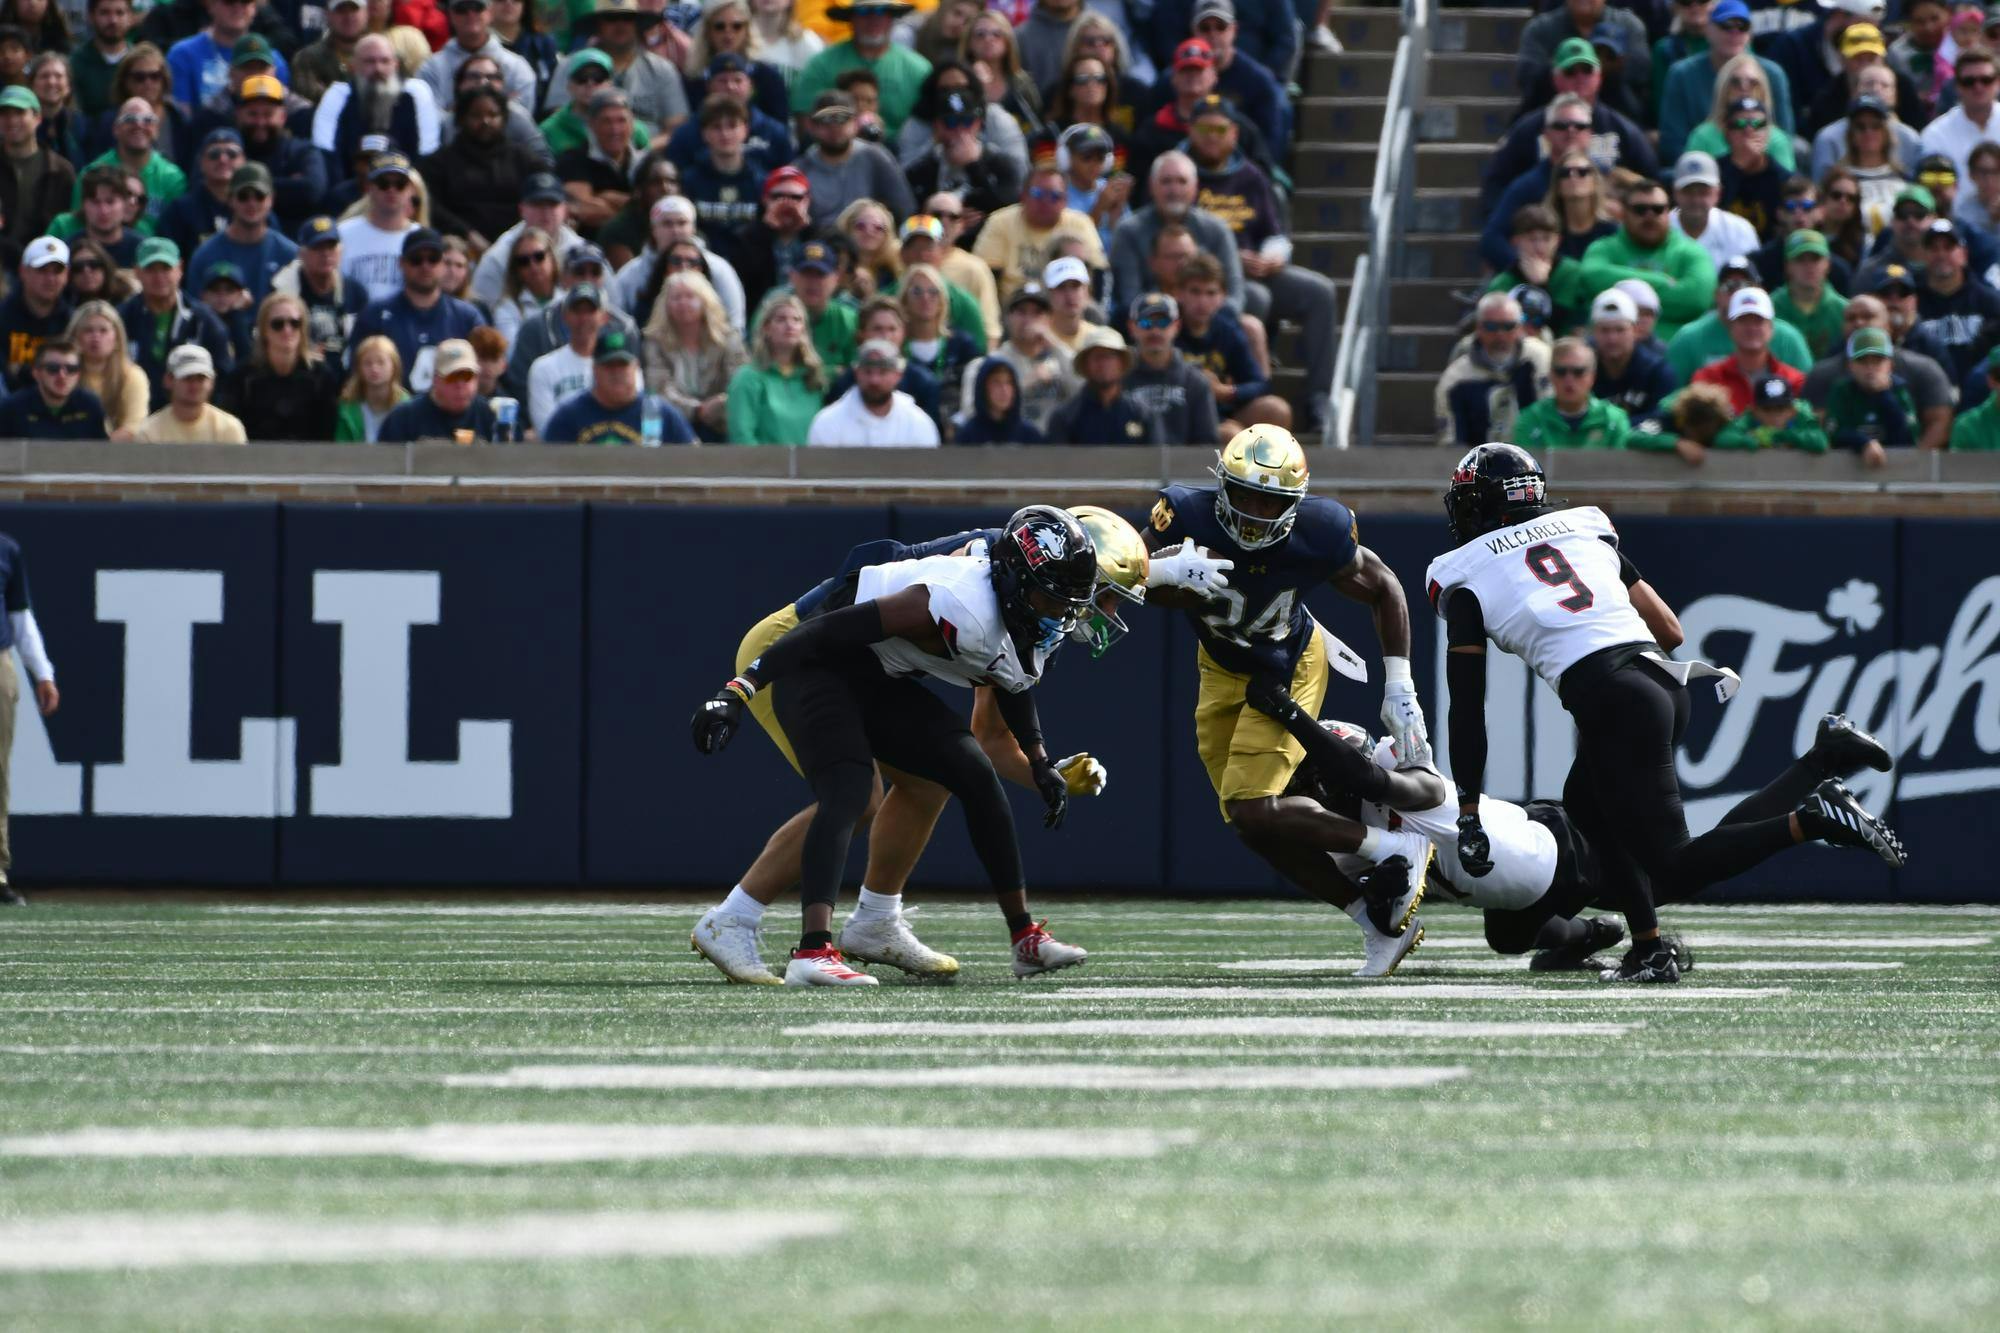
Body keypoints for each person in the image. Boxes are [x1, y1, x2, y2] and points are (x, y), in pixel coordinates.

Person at [1432, 443, 1901, 982]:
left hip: (1613, 700)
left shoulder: (1464, 574)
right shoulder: (1583, 530)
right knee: (1592, 817)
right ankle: (1651, 947)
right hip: (1663, 680)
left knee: (1674, 863)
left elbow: (1468, 706)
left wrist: (1467, 808)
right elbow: (1671, 630)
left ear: (1479, 504)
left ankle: (1815, 818)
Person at [688, 506, 1168, 981]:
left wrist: (1043, 765)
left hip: (871, 663)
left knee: (939, 776)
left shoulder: (1035, 603)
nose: (1103, 614)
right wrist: (737, 689)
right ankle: (741, 921)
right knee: (856, 795)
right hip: (799, 644)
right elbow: (830, 628)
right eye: (1107, 599)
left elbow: (1004, 705)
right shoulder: (972, 596)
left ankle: (886, 922)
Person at [1136, 427, 1433, 975]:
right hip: (1221, 665)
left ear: (1294, 501)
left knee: (1254, 805)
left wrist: (1400, 686)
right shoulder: (1183, 514)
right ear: (1220, 485)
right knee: (1247, 821)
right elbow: (1123, 577)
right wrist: (1162, 571)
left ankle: (1390, 849)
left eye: (1268, 499)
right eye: (1243, 493)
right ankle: (1374, 924)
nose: (1252, 510)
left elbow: (1384, 585)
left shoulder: (1322, 529)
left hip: (1290, 663)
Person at [348, 227, 485, 390]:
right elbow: (355, 373)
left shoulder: (467, 317)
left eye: (433, 259)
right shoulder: (375, 314)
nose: (425, 266)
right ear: (401, 263)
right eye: (416, 259)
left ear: (442, 264)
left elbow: (485, 374)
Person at [1658, 0, 1794, 163]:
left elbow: (1786, 134)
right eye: (1726, 26)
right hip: (1702, 161)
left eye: (1742, 26)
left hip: (1763, 163)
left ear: (1750, 33)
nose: (1734, 33)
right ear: (1708, 30)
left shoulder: (1773, 73)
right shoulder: (1681, 74)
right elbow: (1673, 141)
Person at [791, 0, 930, 142]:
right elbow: (806, 123)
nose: (874, 20)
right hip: (836, 154)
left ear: (892, 17)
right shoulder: (821, 65)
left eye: (882, 11)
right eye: (864, 12)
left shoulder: (919, 70)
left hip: (901, 157)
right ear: (851, 18)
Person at [421, 85, 540, 246]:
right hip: (458, 246)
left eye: (493, 115)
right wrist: (466, 234)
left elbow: (540, 197)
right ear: (461, 119)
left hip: (519, 245)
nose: (485, 121)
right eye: (476, 116)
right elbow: (431, 206)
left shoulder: (524, 159)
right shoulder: (439, 163)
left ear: (504, 118)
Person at [215, 290, 341, 439]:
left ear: (303, 329)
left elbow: (329, 434)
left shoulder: (321, 376)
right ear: (264, 330)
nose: (287, 330)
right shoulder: (242, 378)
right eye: (277, 324)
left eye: (295, 323)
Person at [974, 162, 1104, 305]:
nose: (1045, 201)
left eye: (1054, 196)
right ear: (1023, 196)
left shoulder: (1080, 224)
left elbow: (1098, 273)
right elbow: (986, 276)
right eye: (1038, 194)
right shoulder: (1000, 221)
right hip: (1014, 309)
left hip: (1064, 309)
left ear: (1065, 200)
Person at [539, 325, 693, 442]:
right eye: (609, 366)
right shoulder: (568, 417)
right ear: (594, 369)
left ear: (636, 367)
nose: (616, 373)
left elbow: (693, 462)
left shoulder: (659, 413)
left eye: (622, 365)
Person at [1435, 291, 1549, 448]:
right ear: (1478, 328)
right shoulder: (1455, 379)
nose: (1500, 335)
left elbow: (1553, 417)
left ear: (1519, 327)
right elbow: (1451, 441)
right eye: (1491, 327)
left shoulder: (1541, 358)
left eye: (1508, 327)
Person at [638, 267, 743, 438]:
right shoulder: (654, 341)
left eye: (690, 297)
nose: (683, 303)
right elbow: (658, 389)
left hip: (721, 423)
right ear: (665, 304)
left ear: (705, 301)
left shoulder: (729, 338)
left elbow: (739, 384)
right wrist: (697, 410)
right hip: (673, 425)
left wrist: (720, 404)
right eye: (676, 298)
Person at [564, 0, 689, 135]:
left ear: (637, 24)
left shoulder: (663, 69)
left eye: (627, 18)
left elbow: (676, 127)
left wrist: (640, 152)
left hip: (650, 152)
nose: (620, 25)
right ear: (598, 25)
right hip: (584, 151)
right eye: (611, 18)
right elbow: (559, 120)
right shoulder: (570, 65)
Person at [185, 160, 296, 306]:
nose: (252, 203)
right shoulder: (205, 255)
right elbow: (195, 312)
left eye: (259, 196)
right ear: (230, 199)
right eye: (243, 196)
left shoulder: (289, 254)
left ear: (271, 199)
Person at [795, 87, 910, 226]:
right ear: (812, 126)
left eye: (842, 120)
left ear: (855, 124)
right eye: (826, 121)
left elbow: (904, 208)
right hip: (819, 243)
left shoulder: (876, 157)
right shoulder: (800, 169)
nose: (834, 127)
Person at [1119, 290, 1216, 445]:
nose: (1155, 331)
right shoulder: (1118, 380)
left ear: (1177, 326)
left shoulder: (1196, 383)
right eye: (1145, 323)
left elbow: (1206, 444)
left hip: (1184, 467)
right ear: (1131, 328)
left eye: (1163, 323)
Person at [725, 290, 824, 442]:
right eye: (781, 319)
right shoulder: (747, 378)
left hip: (811, 465)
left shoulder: (813, 377)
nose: (790, 325)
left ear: (804, 330)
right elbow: (742, 436)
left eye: (797, 320)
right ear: (766, 328)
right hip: (764, 465)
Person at [1913, 216, 2000, 383]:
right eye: (1934, 248)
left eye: (1949, 247)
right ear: (1923, 255)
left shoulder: (1990, 302)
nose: (1941, 254)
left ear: (1964, 254)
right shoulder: (1910, 300)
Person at [805, 336, 939, 444]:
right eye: (868, 372)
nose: (874, 380)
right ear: (857, 373)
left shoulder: (918, 423)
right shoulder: (828, 422)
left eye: (882, 372)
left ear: (898, 375)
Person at [1040, 324, 1158, 444]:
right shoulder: (1065, 418)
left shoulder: (1142, 414)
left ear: (1121, 363)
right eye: (1097, 357)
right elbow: (1058, 461)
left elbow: (1156, 459)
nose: (1103, 364)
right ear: (1085, 365)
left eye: (1109, 356)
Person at [1510, 338, 1633, 450]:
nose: (1569, 380)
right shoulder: (1530, 419)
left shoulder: (1614, 419)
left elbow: (1620, 472)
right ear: (1551, 375)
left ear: (1592, 376)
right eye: (1561, 372)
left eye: (1578, 372)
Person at [167, 0, 290, 110]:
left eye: (245, 2)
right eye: (229, 2)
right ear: (211, 5)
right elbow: (182, 118)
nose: (237, 8)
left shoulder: (273, 60)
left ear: (254, 8)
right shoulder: (182, 55)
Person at [1825, 324, 1919, 465]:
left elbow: (1908, 437)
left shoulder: (1899, 390)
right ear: (1850, 366)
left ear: (1890, 365)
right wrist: (1864, 443)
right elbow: (1834, 433)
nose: (1870, 368)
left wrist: (1884, 395)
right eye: (1862, 361)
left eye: (1877, 361)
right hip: (1848, 468)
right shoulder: (1842, 391)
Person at [418, 0, 535, 112]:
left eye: (477, 7)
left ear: (490, 12)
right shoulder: (430, 69)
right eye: (462, 9)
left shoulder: (518, 69)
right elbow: (432, 119)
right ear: (450, 14)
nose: (470, 14)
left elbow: (521, 121)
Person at [375, 336, 497, 439]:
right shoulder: (403, 420)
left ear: (476, 379)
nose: (460, 385)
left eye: (467, 376)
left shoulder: (490, 417)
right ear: (436, 380)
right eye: (452, 377)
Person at [526, 278, 606, 432]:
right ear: (565, 316)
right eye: (577, 311)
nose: (583, 318)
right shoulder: (543, 368)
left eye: (590, 310)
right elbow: (547, 430)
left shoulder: (621, 366)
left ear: (603, 317)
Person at [0, 84, 73, 246]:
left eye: (20, 113)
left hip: (46, 260)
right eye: (4, 114)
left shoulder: (61, 170)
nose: (12, 121)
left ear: (37, 118)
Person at [1586, 288, 1675, 422]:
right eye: (1604, 330)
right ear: (1594, 332)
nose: (1612, 339)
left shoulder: (1657, 371)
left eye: (1620, 330)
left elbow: (1662, 418)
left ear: (1635, 330)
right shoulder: (1579, 370)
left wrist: (1613, 428)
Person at [0, 237, 76, 389]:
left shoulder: (73, 321)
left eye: (57, 271)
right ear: (23, 271)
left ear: (66, 275)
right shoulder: (3, 316)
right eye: (42, 270)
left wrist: (21, 369)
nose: (50, 279)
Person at [132, 340, 246, 441]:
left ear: (211, 382)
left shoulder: (229, 429)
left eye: (201, 378)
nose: (194, 385)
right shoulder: (149, 432)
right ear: (168, 380)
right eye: (187, 378)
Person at [67, 299, 146, 437]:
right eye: (88, 330)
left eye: (103, 330)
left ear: (116, 338)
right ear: (76, 337)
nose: (96, 337)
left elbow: (134, 427)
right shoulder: (62, 372)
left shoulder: (133, 375)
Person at [0, 335, 105, 436]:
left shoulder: (91, 406)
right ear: (36, 373)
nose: (62, 376)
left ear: (78, 375)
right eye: (53, 368)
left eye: (71, 369)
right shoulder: (13, 409)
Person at [1922, 46, 2000, 181]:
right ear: (1957, 86)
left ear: (1998, 82)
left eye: (1986, 80)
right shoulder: (1936, 135)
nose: (1978, 87)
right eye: (1969, 82)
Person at [1672, 149, 1759, 269]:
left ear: (1718, 193)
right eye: (1688, 191)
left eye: (1703, 192)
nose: (1696, 199)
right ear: (1675, 193)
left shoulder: (1740, 230)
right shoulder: (1661, 228)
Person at [1714, 372, 1831, 451]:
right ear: (1755, 410)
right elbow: (1722, 438)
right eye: (1767, 409)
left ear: (1792, 411)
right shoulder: (1749, 416)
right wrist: (1751, 440)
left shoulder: (1801, 414)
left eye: (1780, 409)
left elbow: (1820, 442)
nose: (1774, 415)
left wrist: (1783, 436)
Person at [334, 331, 410, 440]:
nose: (374, 369)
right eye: (367, 363)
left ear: (394, 366)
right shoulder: (347, 407)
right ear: (358, 369)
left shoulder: (406, 407)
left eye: (381, 362)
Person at [950, 355, 1042, 443]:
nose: (1004, 390)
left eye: (1009, 382)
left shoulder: (1030, 435)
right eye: (996, 382)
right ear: (983, 387)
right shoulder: (968, 435)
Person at [72, 0, 136, 120]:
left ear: (131, 17)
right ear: (91, 17)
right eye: (105, 13)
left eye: (120, 13)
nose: (113, 20)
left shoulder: (141, 64)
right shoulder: (76, 63)